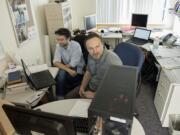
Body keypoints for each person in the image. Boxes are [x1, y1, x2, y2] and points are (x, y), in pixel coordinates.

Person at [65, 32, 123, 99]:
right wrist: (82, 87)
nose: (95, 51)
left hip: (104, 93)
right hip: (91, 86)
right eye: (90, 48)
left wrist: (94, 95)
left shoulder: (112, 61)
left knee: (81, 107)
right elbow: (88, 71)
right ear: (87, 49)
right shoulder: (90, 55)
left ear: (102, 44)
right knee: (67, 97)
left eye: (97, 46)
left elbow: (118, 88)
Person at [53, 28, 85, 99]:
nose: (59, 42)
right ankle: (60, 96)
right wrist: (69, 70)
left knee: (61, 73)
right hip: (68, 68)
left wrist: (61, 66)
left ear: (68, 38)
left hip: (77, 68)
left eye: (61, 39)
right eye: (58, 39)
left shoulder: (76, 46)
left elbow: (72, 64)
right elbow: (55, 62)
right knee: (61, 72)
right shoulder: (58, 46)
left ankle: (60, 96)